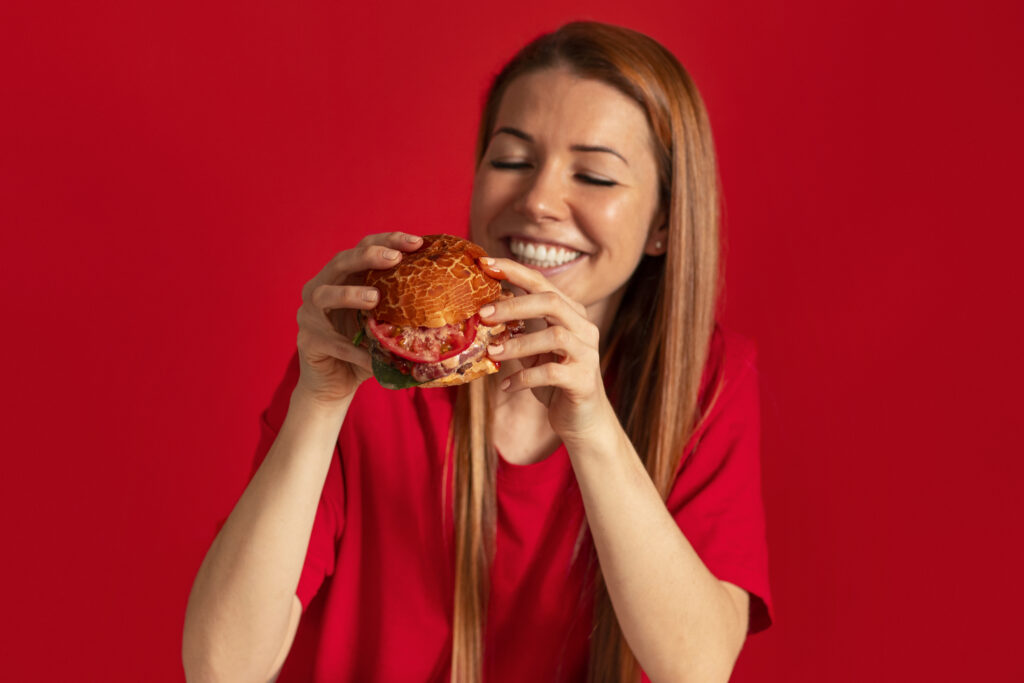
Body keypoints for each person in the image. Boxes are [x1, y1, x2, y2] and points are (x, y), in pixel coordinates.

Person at [183, 20, 773, 683]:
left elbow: (696, 669)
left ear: (664, 223)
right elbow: (220, 664)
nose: (539, 200)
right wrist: (317, 405)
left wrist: (592, 428)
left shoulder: (707, 380)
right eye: (513, 160)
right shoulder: (368, 351)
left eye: (596, 176)